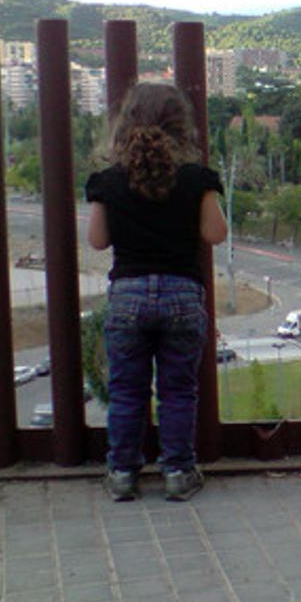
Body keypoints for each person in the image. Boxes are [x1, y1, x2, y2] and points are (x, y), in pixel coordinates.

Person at [86, 82, 227, 502]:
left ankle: (123, 474)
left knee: (127, 390)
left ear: (124, 124)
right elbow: (215, 233)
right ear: (181, 127)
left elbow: (97, 241)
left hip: (127, 295)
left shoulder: (107, 182)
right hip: (182, 295)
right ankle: (179, 473)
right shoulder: (196, 179)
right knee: (177, 391)